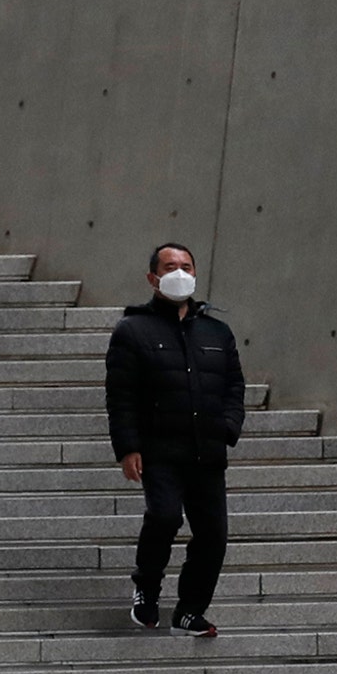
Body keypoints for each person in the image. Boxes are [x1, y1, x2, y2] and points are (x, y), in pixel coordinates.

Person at [104, 243, 246, 637]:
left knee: (213, 536)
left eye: (185, 266)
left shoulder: (217, 331)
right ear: (153, 278)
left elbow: (234, 385)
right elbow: (121, 395)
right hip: (159, 450)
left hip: (207, 450)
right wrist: (128, 447)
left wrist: (228, 425)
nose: (179, 273)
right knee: (165, 515)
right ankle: (146, 590)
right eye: (169, 266)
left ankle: (189, 611)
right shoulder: (133, 330)